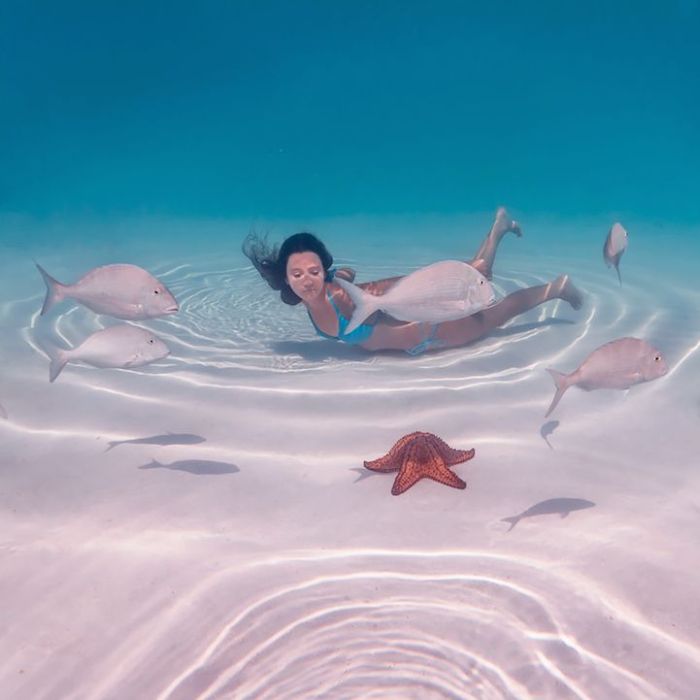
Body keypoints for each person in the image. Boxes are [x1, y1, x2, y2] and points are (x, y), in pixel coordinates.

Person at [242, 208, 583, 355]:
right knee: (481, 276)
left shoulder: (341, 299)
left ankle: (557, 288)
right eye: (297, 274)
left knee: (499, 311)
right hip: (418, 330)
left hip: (432, 330)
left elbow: (384, 290)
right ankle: (498, 228)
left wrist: (446, 280)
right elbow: (346, 275)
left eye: (314, 272)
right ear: (285, 278)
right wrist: (341, 275)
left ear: (322, 269)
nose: (306, 282)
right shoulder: (331, 286)